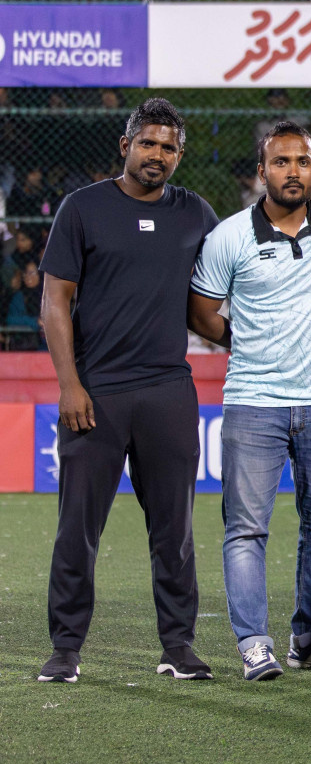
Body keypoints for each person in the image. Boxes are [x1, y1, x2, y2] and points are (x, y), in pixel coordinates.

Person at [36, 98, 220, 683]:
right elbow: (53, 303)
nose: (157, 154)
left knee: (175, 530)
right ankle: (66, 648)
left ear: (179, 155)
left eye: (168, 147)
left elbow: (208, 302)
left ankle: (179, 646)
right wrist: (70, 384)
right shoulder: (82, 208)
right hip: (96, 394)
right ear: (126, 145)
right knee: (77, 529)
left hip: (168, 391)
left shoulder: (196, 214)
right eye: (148, 143)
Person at [187, 122, 311, 680]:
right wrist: (247, 343)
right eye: (280, 162)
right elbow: (202, 311)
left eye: (303, 162)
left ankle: (310, 637)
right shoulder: (230, 236)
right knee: (246, 529)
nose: (293, 172)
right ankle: (253, 643)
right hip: (252, 403)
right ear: (262, 171)